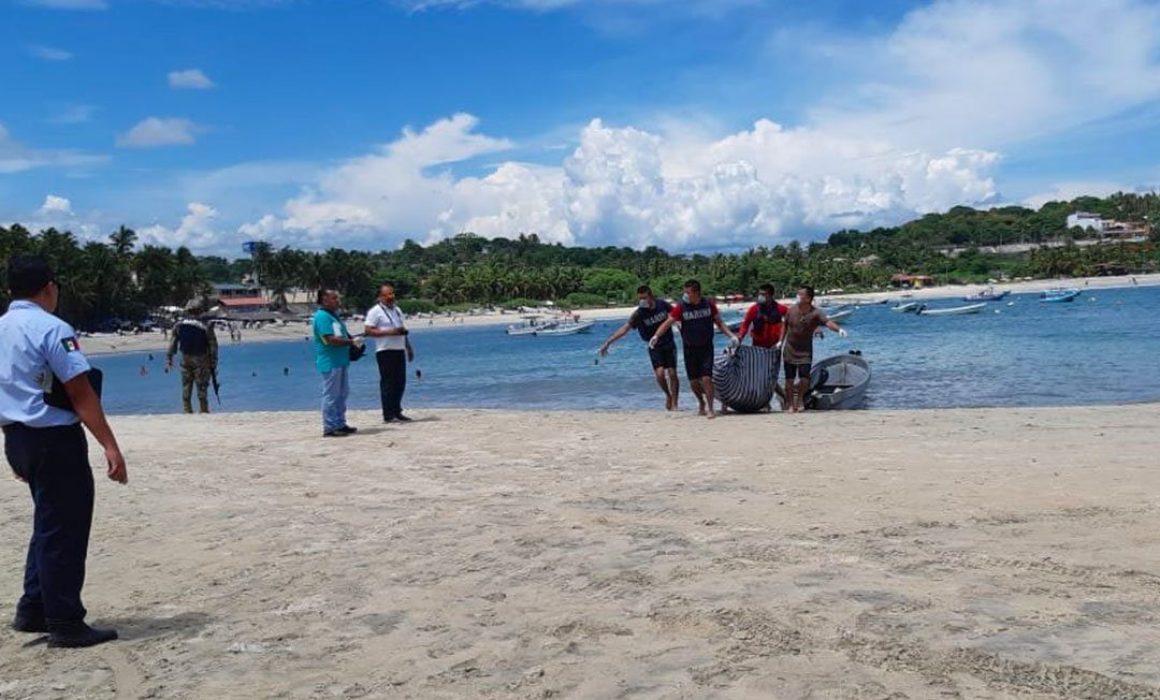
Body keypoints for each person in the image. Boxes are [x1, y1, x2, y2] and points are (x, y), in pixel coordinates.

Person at [0, 255, 128, 648]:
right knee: (65, 529)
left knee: (49, 522)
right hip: (53, 439)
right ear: (50, 288)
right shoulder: (52, 328)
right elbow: (80, 390)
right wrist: (109, 444)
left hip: (17, 436)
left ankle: (34, 607)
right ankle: (66, 621)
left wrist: (12, 442)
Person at [649, 279, 739, 419]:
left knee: (707, 378)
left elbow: (719, 323)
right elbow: (667, 323)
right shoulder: (681, 307)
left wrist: (731, 336)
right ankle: (701, 402)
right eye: (684, 292)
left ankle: (710, 408)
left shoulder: (708, 304)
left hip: (706, 347)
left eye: (688, 292)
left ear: (697, 293)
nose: (685, 295)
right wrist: (656, 336)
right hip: (689, 348)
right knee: (693, 382)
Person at [598, 285, 680, 410]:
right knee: (659, 374)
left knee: (672, 373)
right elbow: (625, 329)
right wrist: (608, 342)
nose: (642, 301)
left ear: (651, 296)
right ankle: (668, 395)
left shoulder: (662, 304)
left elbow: (675, 315)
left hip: (668, 342)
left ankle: (675, 402)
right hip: (653, 346)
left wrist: (682, 326)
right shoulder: (639, 313)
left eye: (644, 298)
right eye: (640, 299)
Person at [781, 285, 848, 413]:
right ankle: (790, 403)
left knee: (804, 379)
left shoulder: (816, 313)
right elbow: (784, 326)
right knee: (789, 379)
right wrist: (780, 342)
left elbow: (828, 322)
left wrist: (839, 329)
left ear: (808, 298)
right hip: (790, 349)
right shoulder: (791, 310)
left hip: (805, 351)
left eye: (800, 294)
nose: (798, 296)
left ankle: (800, 398)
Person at [312, 289, 361, 437]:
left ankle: (340, 423)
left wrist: (352, 343)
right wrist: (351, 341)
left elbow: (341, 335)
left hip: (341, 360)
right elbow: (329, 339)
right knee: (331, 395)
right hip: (330, 361)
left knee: (342, 393)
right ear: (325, 300)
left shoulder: (334, 316)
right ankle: (330, 427)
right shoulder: (322, 317)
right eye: (334, 298)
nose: (338, 301)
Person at [364, 284, 415, 423]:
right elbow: (368, 331)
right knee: (388, 383)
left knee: (400, 382)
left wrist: (408, 347)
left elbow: (401, 329)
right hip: (385, 351)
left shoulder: (397, 310)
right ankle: (388, 415)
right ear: (380, 297)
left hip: (399, 349)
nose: (390, 297)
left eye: (392, 294)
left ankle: (397, 411)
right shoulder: (375, 311)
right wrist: (389, 332)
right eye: (386, 295)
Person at [737, 284, 790, 410]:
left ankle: (782, 396)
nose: (760, 296)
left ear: (771, 295)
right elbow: (745, 326)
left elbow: (791, 321)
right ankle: (766, 402)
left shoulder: (781, 309)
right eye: (759, 294)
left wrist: (813, 330)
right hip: (758, 347)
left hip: (774, 347)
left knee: (771, 375)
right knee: (759, 375)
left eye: (764, 294)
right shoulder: (754, 309)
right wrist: (739, 339)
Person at [165, 311, 218, 414]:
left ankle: (187, 409)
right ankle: (203, 409)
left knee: (186, 384)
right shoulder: (206, 326)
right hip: (201, 358)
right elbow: (213, 346)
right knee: (201, 385)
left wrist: (169, 357)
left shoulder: (179, 325)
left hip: (185, 357)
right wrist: (213, 361)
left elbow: (173, 343)